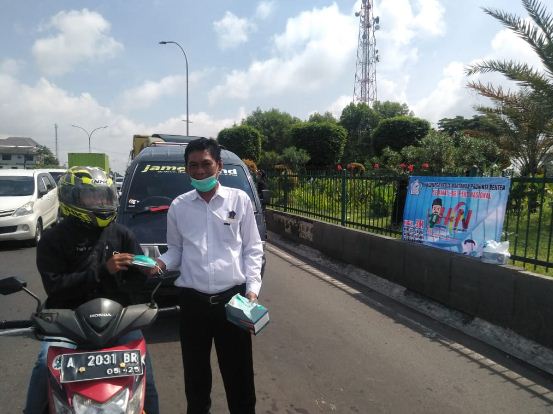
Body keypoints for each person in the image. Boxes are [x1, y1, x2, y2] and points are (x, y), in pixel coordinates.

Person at [24, 166, 159, 414]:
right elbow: (55, 287)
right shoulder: (53, 238)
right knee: (44, 364)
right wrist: (103, 271)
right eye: (92, 196)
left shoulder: (122, 234)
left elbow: (136, 283)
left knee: (144, 372)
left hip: (117, 319)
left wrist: (145, 271)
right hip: (67, 320)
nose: (101, 202)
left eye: (105, 196)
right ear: (72, 198)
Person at [154, 138, 263, 414]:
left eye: (206, 164)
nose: (200, 171)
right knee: (196, 379)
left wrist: (252, 291)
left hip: (233, 302)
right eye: (193, 165)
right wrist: (160, 263)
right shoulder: (179, 206)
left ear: (219, 166)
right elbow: (176, 250)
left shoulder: (239, 200)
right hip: (193, 304)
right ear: (186, 169)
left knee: (239, 378)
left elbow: (252, 249)